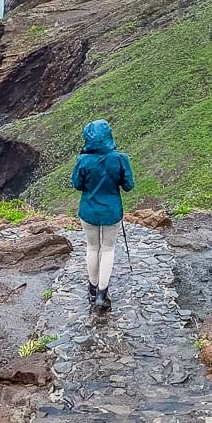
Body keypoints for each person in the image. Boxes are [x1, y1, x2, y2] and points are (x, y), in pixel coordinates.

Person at [71, 119, 134, 311]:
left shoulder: (83, 160)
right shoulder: (120, 158)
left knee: (92, 248)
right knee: (108, 250)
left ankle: (92, 287)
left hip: (88, 211)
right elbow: (128, 186)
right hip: (112, 211)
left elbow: (77, 185)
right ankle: (102, 294)